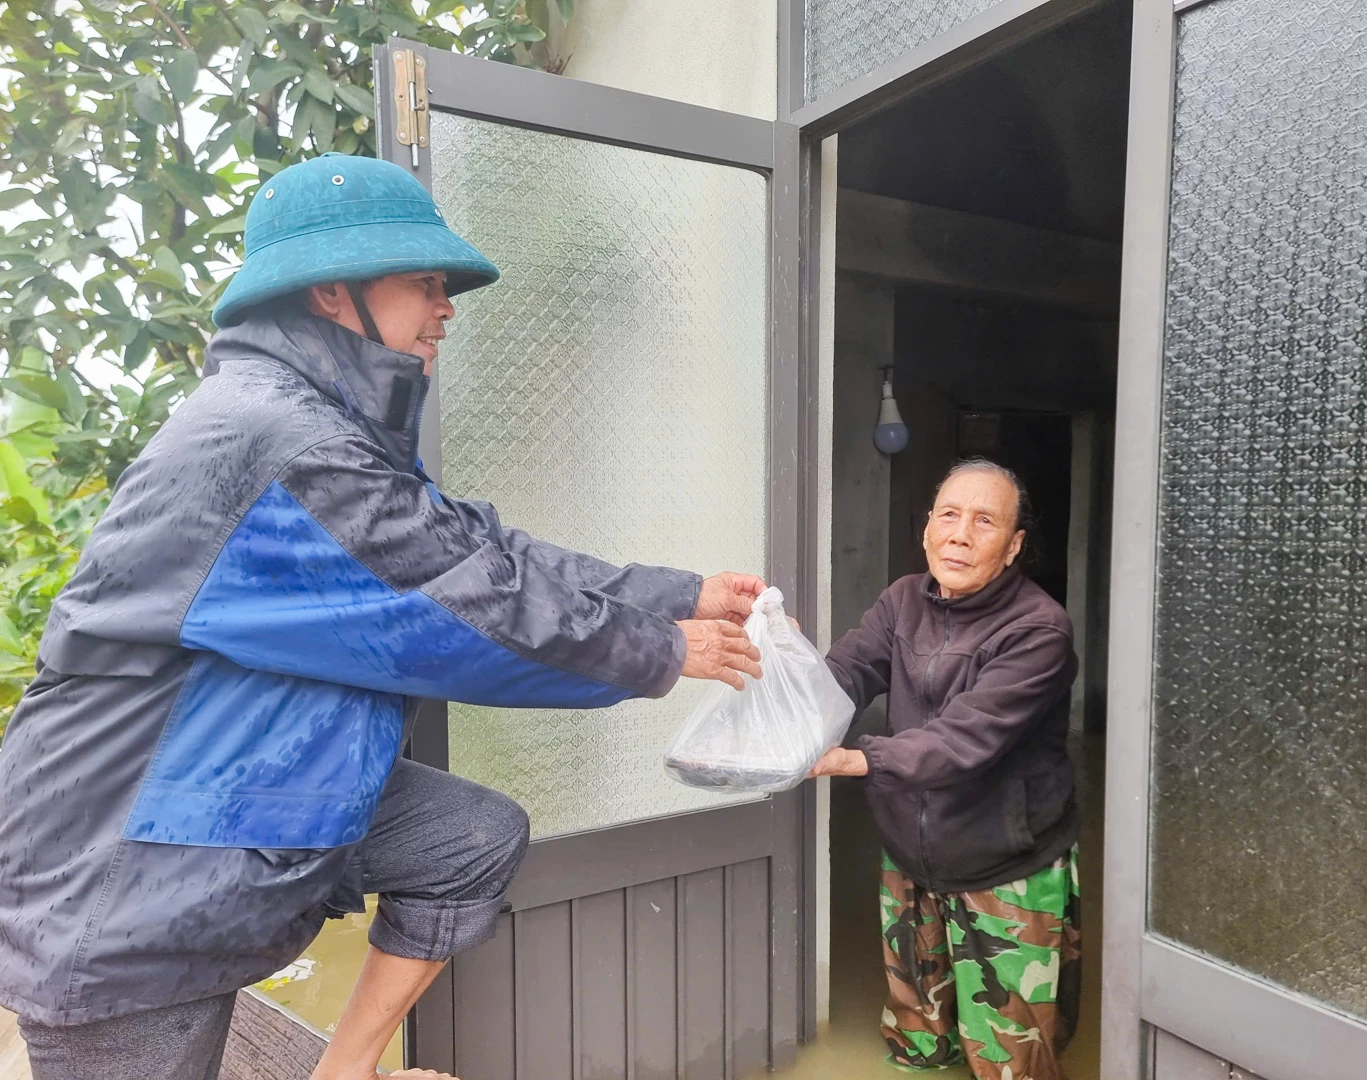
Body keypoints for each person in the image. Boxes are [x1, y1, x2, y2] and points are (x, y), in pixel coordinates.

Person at [0, 153, 767, 1080]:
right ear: (332, 291)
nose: (447, 308)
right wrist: (661, 648)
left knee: (467, 838)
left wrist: (677, 594)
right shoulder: (286, 440)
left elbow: (480, 552)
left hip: (239, 783)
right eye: (425, 282)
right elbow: (457, 610)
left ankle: (344, 1068)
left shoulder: (318, 425)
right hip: (126, 863)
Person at [812, 457, 1080, 1080]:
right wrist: (786, 679)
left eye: (984, 521)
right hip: (910, 855)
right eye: (949, 515)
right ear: (927, 528)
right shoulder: (903, 600)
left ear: (1013, 546)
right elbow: (846, 672)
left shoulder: (1039, 629)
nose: (960, 535)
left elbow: (966, 738)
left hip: (1004, 862)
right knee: (917, 1044)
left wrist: (858, 758)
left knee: (1013, 1061)